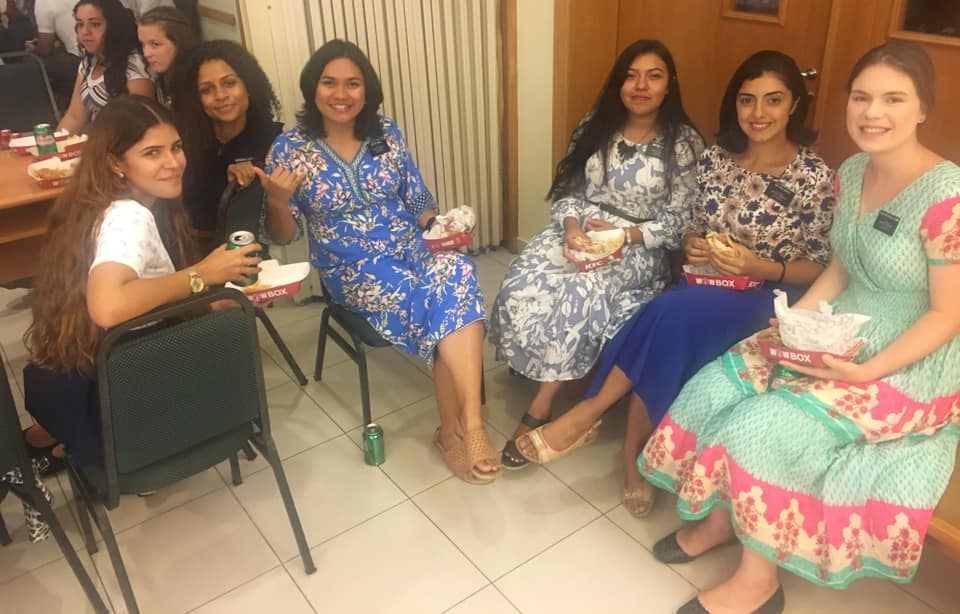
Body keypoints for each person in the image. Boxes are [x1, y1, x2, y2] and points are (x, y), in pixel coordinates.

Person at [638, 41, 960, 614]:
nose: (872, 113)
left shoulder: (947, 197)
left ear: (922, 109)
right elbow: (841, 266)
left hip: (910, 356)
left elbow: (947, 314)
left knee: (764, 422)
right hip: (839, 323)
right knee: (720, 382)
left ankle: (758, 579)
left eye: (893, 99)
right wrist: (793, 326)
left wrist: (866, 370)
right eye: (861, 97)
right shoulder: (855, 172)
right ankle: (720, 520)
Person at [514, 51, 836, 518]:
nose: (758, 114)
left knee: (667, 313)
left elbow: (820, 266)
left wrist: (761, 267)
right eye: (747, 100)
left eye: (773, 100)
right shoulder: (715, 162)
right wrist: (696, 246)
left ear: (794, 106)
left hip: (767, 294)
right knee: (670, 317)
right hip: (705, 283)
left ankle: (594, 418)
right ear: (735, 105)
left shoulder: (814, 177)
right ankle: (627, 452)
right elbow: (691, 229)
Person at [261, 39, 498, 484]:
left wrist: (441, 226)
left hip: (410, 247)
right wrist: (277, 202)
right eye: (329, 82)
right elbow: (284, 234)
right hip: (351, 267)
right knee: (438, 298)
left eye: (353, 83)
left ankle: (465, 428)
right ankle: (463, 430)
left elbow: (416, 198)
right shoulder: (289, 149)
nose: (341, 93)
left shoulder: (386, 134)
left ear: (367, 92)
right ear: (312, 88)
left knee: (457, 269)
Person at [489, 39, 704, 470]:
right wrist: (571, 228)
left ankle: (542, 406)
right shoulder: (595, 124)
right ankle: (534, 360)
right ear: (618, 81)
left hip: (637, 247)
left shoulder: (683, 143)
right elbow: (569, 188)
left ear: (669, 85)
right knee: (522, 279)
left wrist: (624, 235)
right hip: (580, 231)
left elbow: (681, 220)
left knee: (583, 290)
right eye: (631, 75)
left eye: (654, 75)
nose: (640, 85)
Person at [21, 94, 261, 469]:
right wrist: (201, 276)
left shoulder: (110, 205)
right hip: (140, 403)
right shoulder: (129, 217)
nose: (173, 162)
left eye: (176, 147)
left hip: (104, 377)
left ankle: (42, 442)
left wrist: (207, 295)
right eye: (152, 153)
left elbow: (147, 295)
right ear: (115, 162)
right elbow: (108, 305)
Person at [172, 40, 282, 247]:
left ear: (248, 85)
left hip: (249, 252)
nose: (221, 96)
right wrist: (224, 177)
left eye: (229, 83)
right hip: (190, 252)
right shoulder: (180, 142)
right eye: (207, 90)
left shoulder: (273, 139)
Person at [57, 0, 154, 134]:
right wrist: (55, 147)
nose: (85, 31)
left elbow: (139, 126)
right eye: (80, 24)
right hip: (98, 144)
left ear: (113, 26)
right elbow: (74, 117)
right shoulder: (88, 62)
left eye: (95, 24)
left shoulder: (135, 65)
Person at [137, 5, 195, 107]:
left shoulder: (195, 83)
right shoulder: (162, 76)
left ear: (179, 42)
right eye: (143, 44)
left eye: (155, 44)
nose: (146, 53)